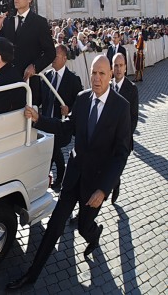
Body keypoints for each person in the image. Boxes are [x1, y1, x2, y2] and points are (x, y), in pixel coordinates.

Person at [8, 55, 131, 290]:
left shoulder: (121, 107)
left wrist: (104, 189)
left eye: (102, 74)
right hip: (74, 176)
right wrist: (39, 119)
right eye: (94, 73)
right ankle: (31, 275)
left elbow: (120, 155)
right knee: (55, 226)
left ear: (110, 76)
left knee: (84, 227)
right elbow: (67, 130)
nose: (96, 78)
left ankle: (94, 235)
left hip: (95, 184)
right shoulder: (83, 99)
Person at [0, 0, 56, 103]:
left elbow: (50, 53)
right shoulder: (7, 20)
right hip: (7, 84)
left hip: (29, 84)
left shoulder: (39, 22)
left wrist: (35, 67)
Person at [39, 44, 83, 189]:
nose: (52, 59)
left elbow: (79, 103)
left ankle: (48, 177)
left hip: (61, 125)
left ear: (64, 59)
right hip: (46, 123)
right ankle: (58, 175)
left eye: (56, 56)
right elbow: (40, 99)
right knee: (53, 150)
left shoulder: (73, 79)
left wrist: (69, 109)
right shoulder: (46, 76)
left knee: (52, 150)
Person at [110, 52, 138, 204]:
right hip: (107, 139)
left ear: (126, 68)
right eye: (116, 65)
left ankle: (116, 183)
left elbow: (134, 118)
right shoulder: (108, 86)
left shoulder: (132, 89)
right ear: (112, 68)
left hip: (123, 140)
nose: (118, 69)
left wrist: (123, 136)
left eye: (121, 65)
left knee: (116, 169)